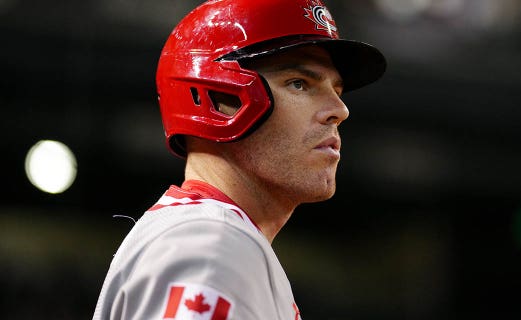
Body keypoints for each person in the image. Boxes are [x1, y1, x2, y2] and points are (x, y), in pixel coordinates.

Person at [92, 0, 386, 319]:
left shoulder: (210, 238)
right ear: (218, 97)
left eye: (337, 90)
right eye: (300, 83)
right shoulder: (210, 243)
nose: (340, 111)